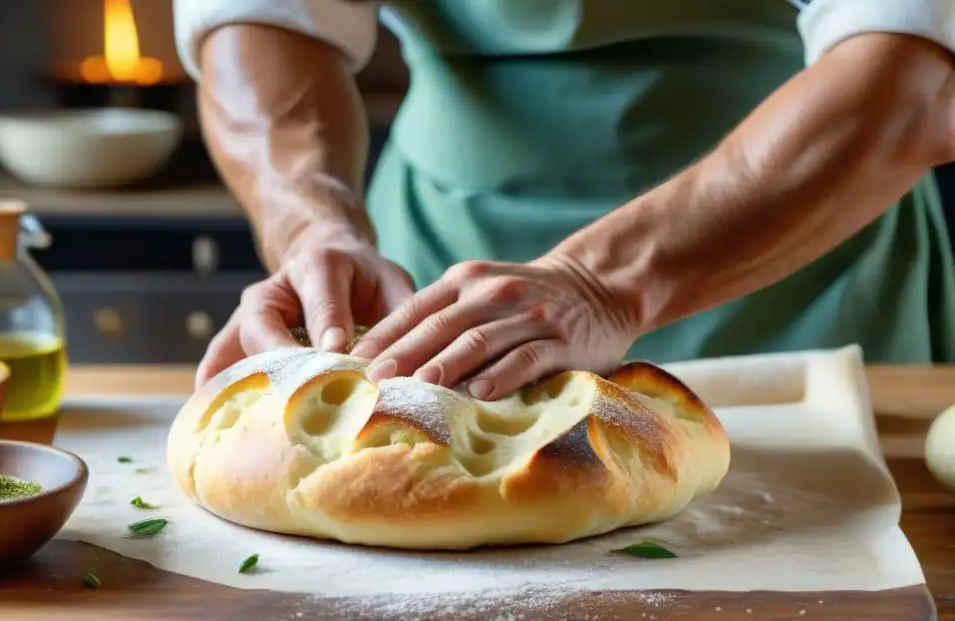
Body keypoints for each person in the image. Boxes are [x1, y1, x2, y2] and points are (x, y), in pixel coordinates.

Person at [174, 0, 955, 400]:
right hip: (432, 268)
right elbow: (262, 21)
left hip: (796, 251)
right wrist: (313, 222)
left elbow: (910, 74)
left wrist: (598, 285)